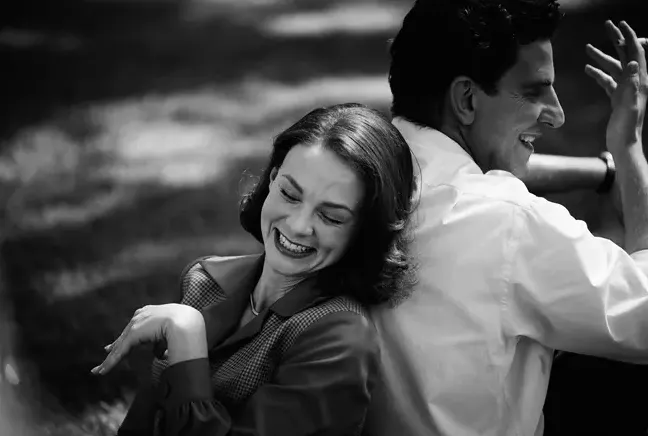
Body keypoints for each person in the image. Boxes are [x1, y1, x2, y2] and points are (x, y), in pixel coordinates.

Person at [364, 1, 648, 435]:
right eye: (534, 92)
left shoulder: (354, 173)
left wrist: (602, 173)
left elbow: (484, 169)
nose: (557, 114)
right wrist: (628, 151)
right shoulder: (507, 220)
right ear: (466, 99)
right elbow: (641, 318)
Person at [91, 103, 417, 435]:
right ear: (272, 179)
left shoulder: (340, 341)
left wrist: (187, 346)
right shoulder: (204, 279)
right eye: (290, 194)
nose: (298, 225)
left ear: (364, 231)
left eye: (331, 217)